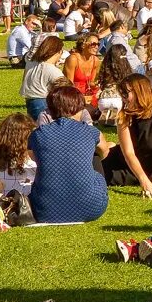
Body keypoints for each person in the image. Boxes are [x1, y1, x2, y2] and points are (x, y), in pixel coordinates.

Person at [27, 84, 110, 226]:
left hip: (44, 209)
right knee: (96, 158)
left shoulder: (38, 134)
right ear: (78, 108)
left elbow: (32, 156)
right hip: (91, 208)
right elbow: (104, 151)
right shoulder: (90, 132)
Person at [102, 76, 152, 199]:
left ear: (140, 91)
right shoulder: (125, 116)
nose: (124, 98)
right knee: (89, 171)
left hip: (146, 169)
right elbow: (128, 153)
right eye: (122, 94)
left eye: (126, 93)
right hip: (123, 162)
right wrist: (144, 181)